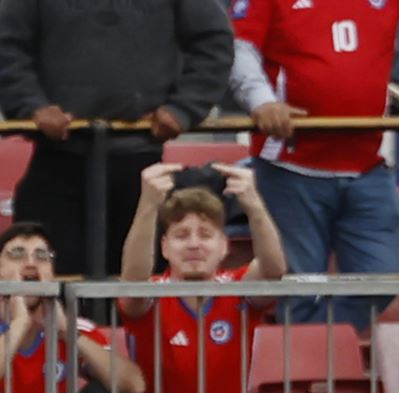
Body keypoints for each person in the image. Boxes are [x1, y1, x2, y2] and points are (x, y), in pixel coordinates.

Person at [229, 0, 399, 327]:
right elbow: (240, 47)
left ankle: (325, 352)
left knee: (382, 278)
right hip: (290, 164)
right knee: (297, 288)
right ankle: (305, 370)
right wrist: (260, 100)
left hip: (367, 165)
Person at [120, 163, 324, 393]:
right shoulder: (151, 294)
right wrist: (148, 205)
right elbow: (132, 284)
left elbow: (274, 269)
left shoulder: (238, 290)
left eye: (205, 235)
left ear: (224, 246)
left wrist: (254, 204)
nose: (194, 244)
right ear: (165, 247)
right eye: (182, 235)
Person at [0, 0, 234, 279]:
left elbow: (214, 44)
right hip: (56, 161)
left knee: (139, 290)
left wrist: (183, 108)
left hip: (141, 161)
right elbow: (7, 45)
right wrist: (32, 106)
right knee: (48, 285)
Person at [0, 223, 139, 393]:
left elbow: (133, 385)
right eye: (17, 254)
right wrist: (18, 326)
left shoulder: (70, 326)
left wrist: (68, 333)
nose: (31, 264)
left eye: (42, 257)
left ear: (52, 274)